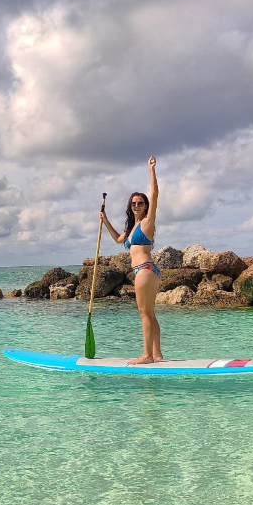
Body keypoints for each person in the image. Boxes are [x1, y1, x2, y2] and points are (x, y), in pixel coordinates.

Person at [100, 156, 162, 364]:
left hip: (144, 270)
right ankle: (157, 353)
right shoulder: (132, 229)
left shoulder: (146, 223)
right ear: (131, 206)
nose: (137, 205)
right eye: (134, 203)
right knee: (150, 314)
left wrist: (151, 170)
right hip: (147, 271)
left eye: (141, 203)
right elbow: (119, 239)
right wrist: (105, 220)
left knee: (144, 313)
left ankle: (147, 356)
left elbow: (154, 193)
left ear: (145, 206)